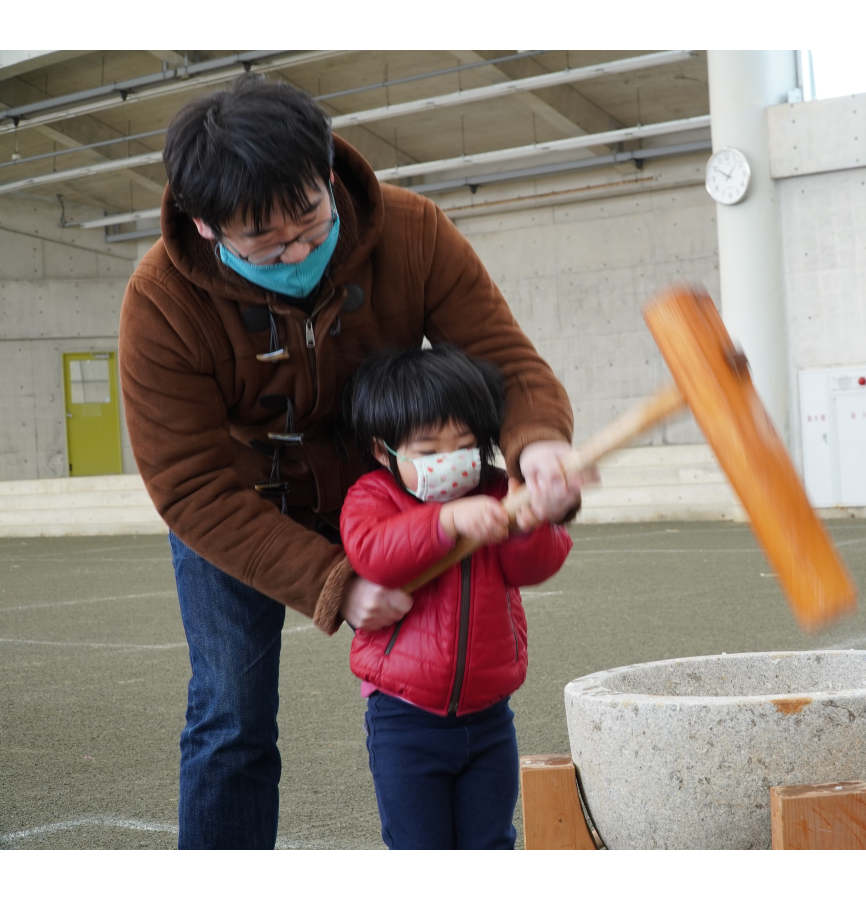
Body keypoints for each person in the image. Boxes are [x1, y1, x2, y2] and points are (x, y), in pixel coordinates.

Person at [118, 73, 583, 850]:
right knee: (230, 715)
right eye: (267, 243)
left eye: (309, 217)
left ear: (328, 172)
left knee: (453, 681)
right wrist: (337, 580)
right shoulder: (161, 302)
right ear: (206, 226)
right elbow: (191, 486)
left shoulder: (413, 230)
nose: (299, 249)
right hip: (243, 510)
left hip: (395, 493)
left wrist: (539, 443)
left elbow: (505, 360)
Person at [341, 345, 571, 849]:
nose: (449, 461)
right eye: (427, 451)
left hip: (490, 716)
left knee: (490, 842)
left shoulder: (496, 492)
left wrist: (531, 524)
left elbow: (534, 567)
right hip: (404, 718)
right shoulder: (372, 497)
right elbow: (373, 554)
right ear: (385, 451)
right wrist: (444, 522)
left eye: (464, 445)